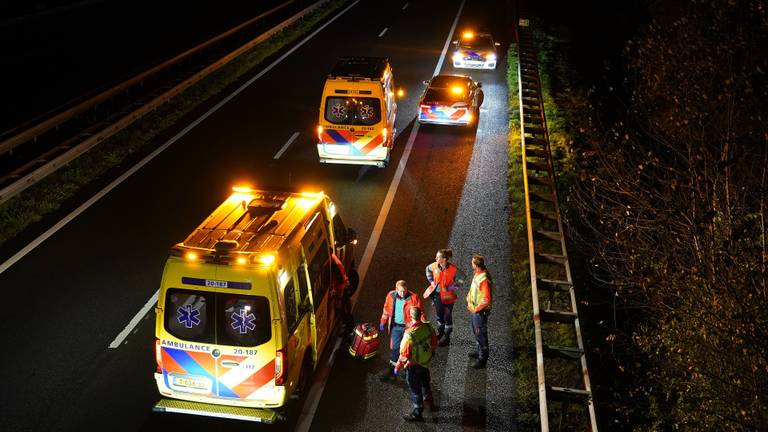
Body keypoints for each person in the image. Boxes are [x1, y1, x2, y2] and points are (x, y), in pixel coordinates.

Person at [394, 306, 437, 422]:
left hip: (413, 367)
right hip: (425, 363)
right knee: (425, 384)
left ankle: (418, 412)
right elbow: (433, 342)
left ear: (410, 317)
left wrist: (398, 366)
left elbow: (403, 354)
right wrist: (429, 354)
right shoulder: (428, 327)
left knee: (415, 390)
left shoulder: (409, 335)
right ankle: (430, 403)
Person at [379, 280, 425, 381]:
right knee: (395, 349)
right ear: (396, 290)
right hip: (395, 327)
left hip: (408, 329)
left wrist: (422, 326)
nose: (403, 293)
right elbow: (386, 310)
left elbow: (420, 313)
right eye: (400, 291)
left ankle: (406, 369)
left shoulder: (413, 298)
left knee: (407, 350)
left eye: (404, 291)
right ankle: (392, 370)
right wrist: (383, 321)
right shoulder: (391, 296)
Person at [424, 249, 464, 346]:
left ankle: (446, 338)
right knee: (439, 316)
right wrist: (432, 282)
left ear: (444, 259)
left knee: (447, 317)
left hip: (448, 298)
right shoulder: (433, 266)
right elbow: (427, 270)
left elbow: (462, 279)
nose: (436, 258)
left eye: (438, 257)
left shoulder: (453, 269)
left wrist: (450, 287)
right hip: (437, 296)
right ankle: (440, 332)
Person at [466, 254, 492, 368]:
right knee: (476, 332)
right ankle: (479, 351)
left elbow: (486, 299)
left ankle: (482, 359)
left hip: (479, 312)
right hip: (475, 311)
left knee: (481, 335)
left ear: (476, 265)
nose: (471, 264)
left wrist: (476, 309)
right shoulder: (478, 273)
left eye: (472, 262)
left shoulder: (484, 279)